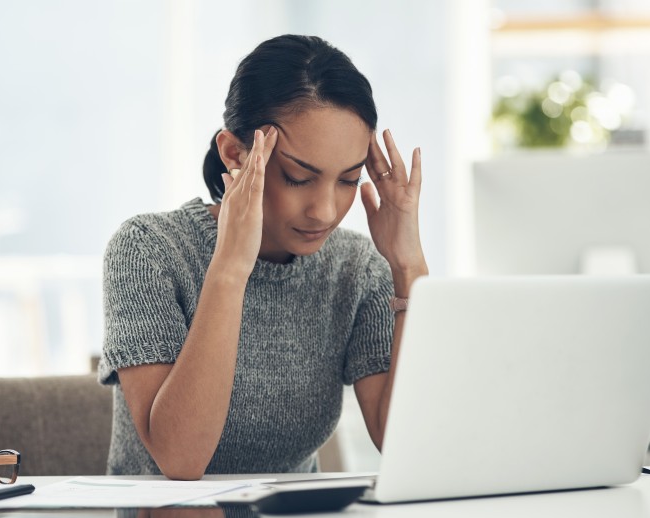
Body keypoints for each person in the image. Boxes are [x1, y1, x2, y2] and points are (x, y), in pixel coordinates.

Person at [98, 34, 428, 480]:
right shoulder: (147, 250)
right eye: (297, 177)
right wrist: (232, 268)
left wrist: (409, 269)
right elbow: (180, 459)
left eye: (348, 180)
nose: (325, 211)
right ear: (235, 154)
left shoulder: (357, 269)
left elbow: (405, 441)